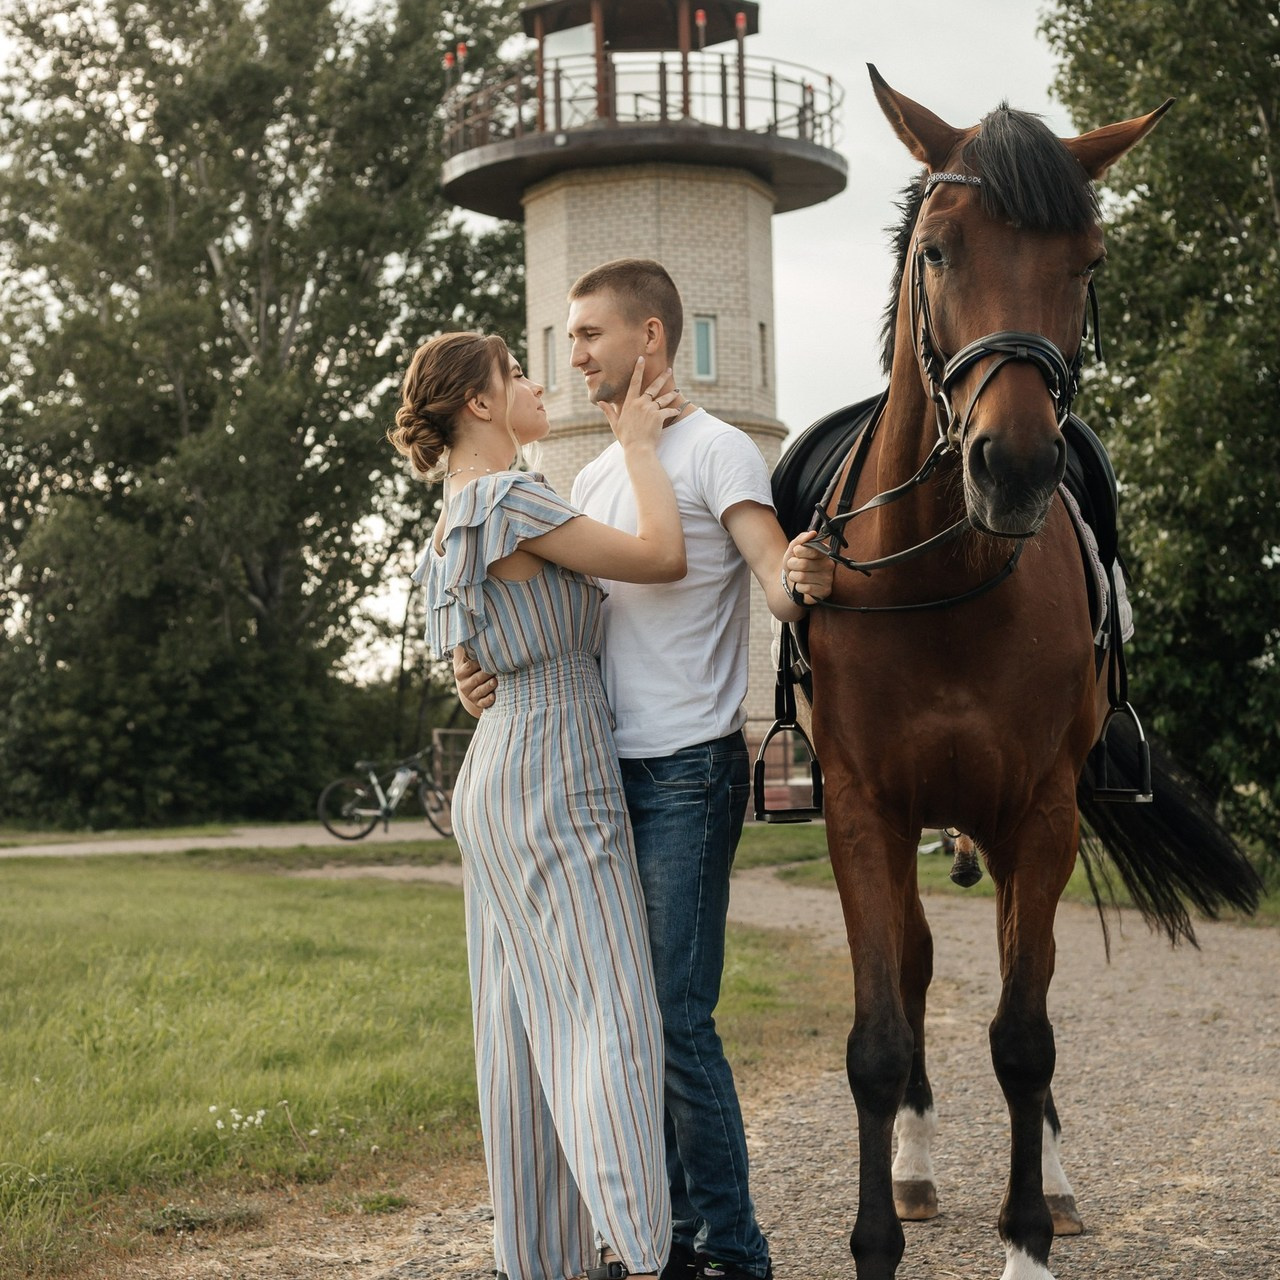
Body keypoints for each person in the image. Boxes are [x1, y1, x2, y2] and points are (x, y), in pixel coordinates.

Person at [459, 259, 835, 1280]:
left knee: (674, 1015)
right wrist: (476, 667)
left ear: (650, 339)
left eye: (588, 335)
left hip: (682, 773)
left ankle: (735, 1250)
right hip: (586, 776)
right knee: (622, 1018)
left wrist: (799, 579)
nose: (571, 354)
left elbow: (771, 579)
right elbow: (564, 621)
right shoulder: (584, 476)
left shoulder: (716, 451)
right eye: (568, 340)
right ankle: (657, 1239)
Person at [389, 330, 689, 1280]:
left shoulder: (449, 521)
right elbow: (661, 557)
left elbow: (470, 665)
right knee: (610, 1009)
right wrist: (639, 446)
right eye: (514, 373)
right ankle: (640, 1251)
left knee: (520, 1028)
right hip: (553, 766)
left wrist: (481, 680)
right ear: (479, 404)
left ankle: (548, 1260)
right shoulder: (511, 495)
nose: (533, 382)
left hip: (496, 765)